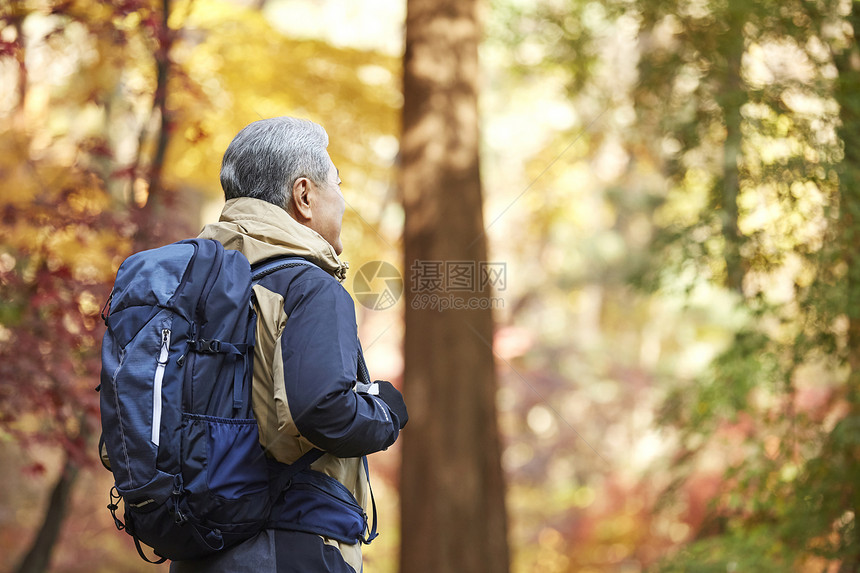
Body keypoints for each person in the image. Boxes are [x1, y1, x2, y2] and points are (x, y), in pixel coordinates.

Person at [170, 117, 408, 573]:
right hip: (293, 545)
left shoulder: (197, 286)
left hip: (200, 546)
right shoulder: (308, 286)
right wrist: (386, 412)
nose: (343, 200)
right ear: (303, 195)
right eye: (336, 184)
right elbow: (323, 410)